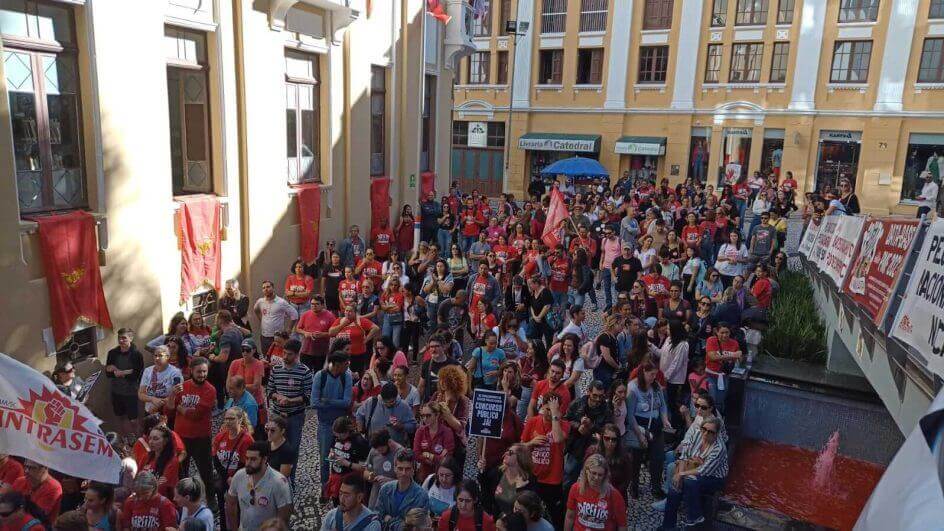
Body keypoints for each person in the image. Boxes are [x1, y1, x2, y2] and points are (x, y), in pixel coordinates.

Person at [660, 417, 728, 529]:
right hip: (692, 468)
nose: (706, 433)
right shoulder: (696, 434)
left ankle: (694, 516)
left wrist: (681, 474)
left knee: (689, 480)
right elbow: (684, 455)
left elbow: (704, 471)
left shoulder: (719, 448)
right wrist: (679, 474)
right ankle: (668, 527)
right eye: (704, 429)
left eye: (711, 432)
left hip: (714, 478)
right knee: (675, 488)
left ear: (716, 434)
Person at [169, 356, 216, 502]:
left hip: (201, 437)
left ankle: (211, 499)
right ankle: (183, 499)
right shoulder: (183, 387)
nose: (202, 374)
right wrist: (172, 395)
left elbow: (197, 414)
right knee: (181, 470)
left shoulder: (210, 390)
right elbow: (170, 409)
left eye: (204, 371)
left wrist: (182, 409)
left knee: (206, 471)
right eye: (199, 372)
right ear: (191, 371)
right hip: (181, 438)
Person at [521, 394, 568, 528]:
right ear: (542, 407)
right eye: (548, 409)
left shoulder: (564, 425)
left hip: (553, 480)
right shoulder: (532, 422)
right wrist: (531, 443)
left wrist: (555, 415)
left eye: (554, 409)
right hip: (534, 478)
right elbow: (520, 447)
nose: (550, 412)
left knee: (556, 515)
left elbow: (558, 439)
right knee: (530, 513)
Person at [626, 361, 670, 500]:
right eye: (651, 374)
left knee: (657, 457)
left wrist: (665, 419)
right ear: (643, 372)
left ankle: (656, 486)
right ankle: (634, 485)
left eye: (655, 375)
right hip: (640, 425)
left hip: (655, 425)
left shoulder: (656, 387)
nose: (653, 378)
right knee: (636, 459)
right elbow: (630, 414)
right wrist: (639, 435)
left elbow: (662, 405)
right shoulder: (633, 388)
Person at [226, 442, 293, 531]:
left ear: (264, 459)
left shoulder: (279, 482)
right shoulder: (239, 476)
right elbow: (230, 503)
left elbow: (283, 518)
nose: (248, 463)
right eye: (247, 458)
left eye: (253, 459)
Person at [266, 339, 313, 456]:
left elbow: (308, 397)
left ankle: (290, 474)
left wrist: (290, 400)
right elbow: (269, 391)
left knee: (292, 448)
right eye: (284, 353)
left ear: (297, 355)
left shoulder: (305, 372)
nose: (285, 356)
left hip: (295, 416)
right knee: (274, 447)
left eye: (289, 354)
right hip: (277, 414)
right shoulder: (276, 369)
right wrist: (277, 396)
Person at [312, 352, 354, 484]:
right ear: (337, 365)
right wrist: (337, 402)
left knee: (344, 457)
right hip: (325, 425)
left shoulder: (346, 376)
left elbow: (347, 402)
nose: (348, 366)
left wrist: (328, 401)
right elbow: (314, 402)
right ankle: (325, 488)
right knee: (324, 459)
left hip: (342, 427)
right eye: (346, 364)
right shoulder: (321, 376)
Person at [213, 407, 255, 525]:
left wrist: (234, 478)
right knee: (223, 508)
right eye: (226, 419)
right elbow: (215, 460)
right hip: (225, 478)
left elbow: (245, 463)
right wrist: (227, 478)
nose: (228, 422)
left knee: (240, 508)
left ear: (240, 419)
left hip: (241, 479)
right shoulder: (220, 437)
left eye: (232, 419)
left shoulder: (247, 440)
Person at [563, 454, 627, 531]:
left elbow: (622, 524)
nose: (596, 478)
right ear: (586, 471)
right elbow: (570, 517)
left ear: (605, 475)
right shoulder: (575, 488)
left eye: (600, 475)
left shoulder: (614, 495)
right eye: (593, 473)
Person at [372, 450, 429, 531]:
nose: (403, 473)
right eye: (400, 468)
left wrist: (388, 520)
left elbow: (415, 528)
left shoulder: (421, 496)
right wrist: (401, 523)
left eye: (407, 469)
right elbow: (376, 518)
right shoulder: (385, 489)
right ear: (395, 468)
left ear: (413, 470)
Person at [105, 328, 145, 436]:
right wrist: (126, 372)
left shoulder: (137, 355)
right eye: (119, 338)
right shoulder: (112, 353)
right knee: (120, 417)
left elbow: (136, 375)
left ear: (131, 338)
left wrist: (118, 372)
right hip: (116, 392)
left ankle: (138, 439)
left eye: (124, 338)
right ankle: (126, 440)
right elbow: (108, 373)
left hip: (131, 392)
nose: (121, 341)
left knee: (133, 420)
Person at [324, 417, 369, 504]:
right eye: (336, 436)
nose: (338, 438)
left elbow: (364, 468)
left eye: (340, 435)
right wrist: (332, 454)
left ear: (348, 431)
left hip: (350, 483)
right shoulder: (336, 437)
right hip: (336, 478)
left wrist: (347, 463)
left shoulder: (359, 442)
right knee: (336, 504)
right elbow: (332, 448)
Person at [357, 382, 417, 446]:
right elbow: (359, 415)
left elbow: (413, 426)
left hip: (395, 449)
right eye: (385, 402)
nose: (389, 404)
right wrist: (361, 433)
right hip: (373, 447)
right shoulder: (371, 402)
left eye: (392, 402)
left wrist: (401, 426)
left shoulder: (404, 406)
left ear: (396, 397)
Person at [329, 303, 381, 377]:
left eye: (350, 311)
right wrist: (343, 325)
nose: (347, 313)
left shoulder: (360, 321)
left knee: (357, 376)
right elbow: (331, 332)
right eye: (346, 311)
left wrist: (366, 339)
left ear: (355, 312)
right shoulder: (340, 320)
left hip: (357, 355)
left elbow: (376, 328)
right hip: (341, 356)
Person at [489, 444, 536, 519]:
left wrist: (520, 489)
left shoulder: (529, 481)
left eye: (510, 452)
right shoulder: (498, 472)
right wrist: (482, 471)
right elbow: (485, 491)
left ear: (520, 457)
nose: (506, 454)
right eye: (507, 451)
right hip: (497, 522)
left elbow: (525, 509)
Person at [254, 280, 299, 356]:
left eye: (268, 287)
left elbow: (294, 314)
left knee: (277, 358)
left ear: (273, 288)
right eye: (264, 288)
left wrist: (289, 329)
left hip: (277, 338)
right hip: (264, 336)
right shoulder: (260, 301)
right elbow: (256, 309)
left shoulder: (281, 302)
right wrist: (261, 320)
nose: (266, 289)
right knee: (266, 357)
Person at [705, 323, 742, 414]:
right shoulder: (711, 340)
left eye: (727, 332)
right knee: (711, 399)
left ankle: (719, 419)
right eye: (722, 332)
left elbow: (739, 358)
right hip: (711, 374)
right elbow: (712, 357)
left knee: (721, 400)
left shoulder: (734, 343)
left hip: (724, 375)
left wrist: (739, 356)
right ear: (716, 332)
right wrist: (732, 355)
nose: (724, 335)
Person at [413, 402, 455, 481]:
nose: (425, 419)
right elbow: (416, 454)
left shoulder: (447, 432)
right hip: (423, 476)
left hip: (441, 477)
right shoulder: (420, 431)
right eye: (423, 416)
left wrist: (428, 455)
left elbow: (447, 459)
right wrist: (436, 458)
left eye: (428, 415)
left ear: (437, 415)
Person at [137, 345, 182, 417]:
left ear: (167, 357)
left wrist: (157, 405)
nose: (157, 358)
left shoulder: (175, 372)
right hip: (150, 412)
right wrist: (152, 399)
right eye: (155, 355)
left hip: (167, 413)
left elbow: (178, 395)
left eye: (160, 356)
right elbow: (141, 394)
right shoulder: (148, 371)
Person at [295, 295, 337, 371]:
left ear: (322, 305)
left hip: (321, 352)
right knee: (305, 372)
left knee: (318, 373)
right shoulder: (305, 314)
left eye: (317, 304)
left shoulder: (330, 316)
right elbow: (297, 329)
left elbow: (336, 332)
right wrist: (305, 333)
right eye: (312, 304)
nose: (314, 306)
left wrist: (323, 334)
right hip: (306, 350)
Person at [136, 425, 179, 500]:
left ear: (165, 441)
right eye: (150, 438)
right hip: (144, 497)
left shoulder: (172, 460)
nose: (151, 442)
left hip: (163, 500)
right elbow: (138, 479)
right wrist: (155, 482)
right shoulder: (146, 457)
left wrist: (145, 486)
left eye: (155, 439)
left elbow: (162, 486)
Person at [417, 335, 460, 403]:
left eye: (437, 346)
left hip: (448, 404)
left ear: (444, 347)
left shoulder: (454, 364)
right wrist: (417, 405)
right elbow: (421, 386)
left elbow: (460, 387)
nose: (434, 349)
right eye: (431, 347)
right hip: (430, 404)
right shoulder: (426, 364)